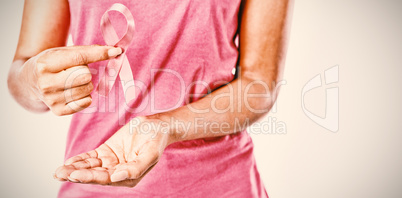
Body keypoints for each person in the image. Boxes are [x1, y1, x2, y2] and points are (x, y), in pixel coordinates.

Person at [7, 0, 293, 197]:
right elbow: (23, 68)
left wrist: (165, 125)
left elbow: (258, 84)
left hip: (222, 186)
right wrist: (35, 82)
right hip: (92, 177)